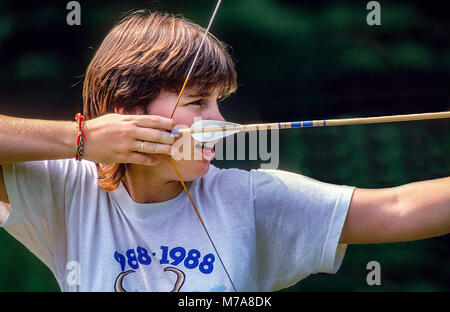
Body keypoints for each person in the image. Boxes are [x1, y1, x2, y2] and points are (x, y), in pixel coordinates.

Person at [0, 10, 448, 292]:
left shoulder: (249, 199)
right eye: (197, 103)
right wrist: (81, 140)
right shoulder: (67, 191)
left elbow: (397, 208)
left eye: (219, 102)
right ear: (128, 112)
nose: (218, 122)